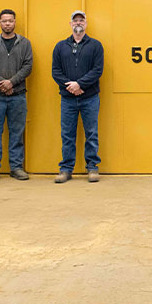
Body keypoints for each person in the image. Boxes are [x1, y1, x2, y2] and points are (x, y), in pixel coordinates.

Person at [51, 11, 104, 184]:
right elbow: (56, 72)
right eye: (75, 21)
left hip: (90, 98)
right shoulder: (60, 46)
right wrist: (72, 87)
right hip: (68, 99)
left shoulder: (96, 46)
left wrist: (80, 84)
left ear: (86, 24)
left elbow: (97, 70)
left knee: (91, 133)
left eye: (81, 20)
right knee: (67, 135)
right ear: (70, 24)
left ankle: (92, 168)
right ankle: (66, 169)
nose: (78, 23)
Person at [0, 9, 33, 182]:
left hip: (18, 95)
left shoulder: (24, 43)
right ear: (0, 22)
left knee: (17, 132)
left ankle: (16, 167)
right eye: (4, 21)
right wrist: (2, 83)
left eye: (10, 21)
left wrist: (12, 82)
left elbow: (28, 66)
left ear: (15, 22)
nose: (7, 24)